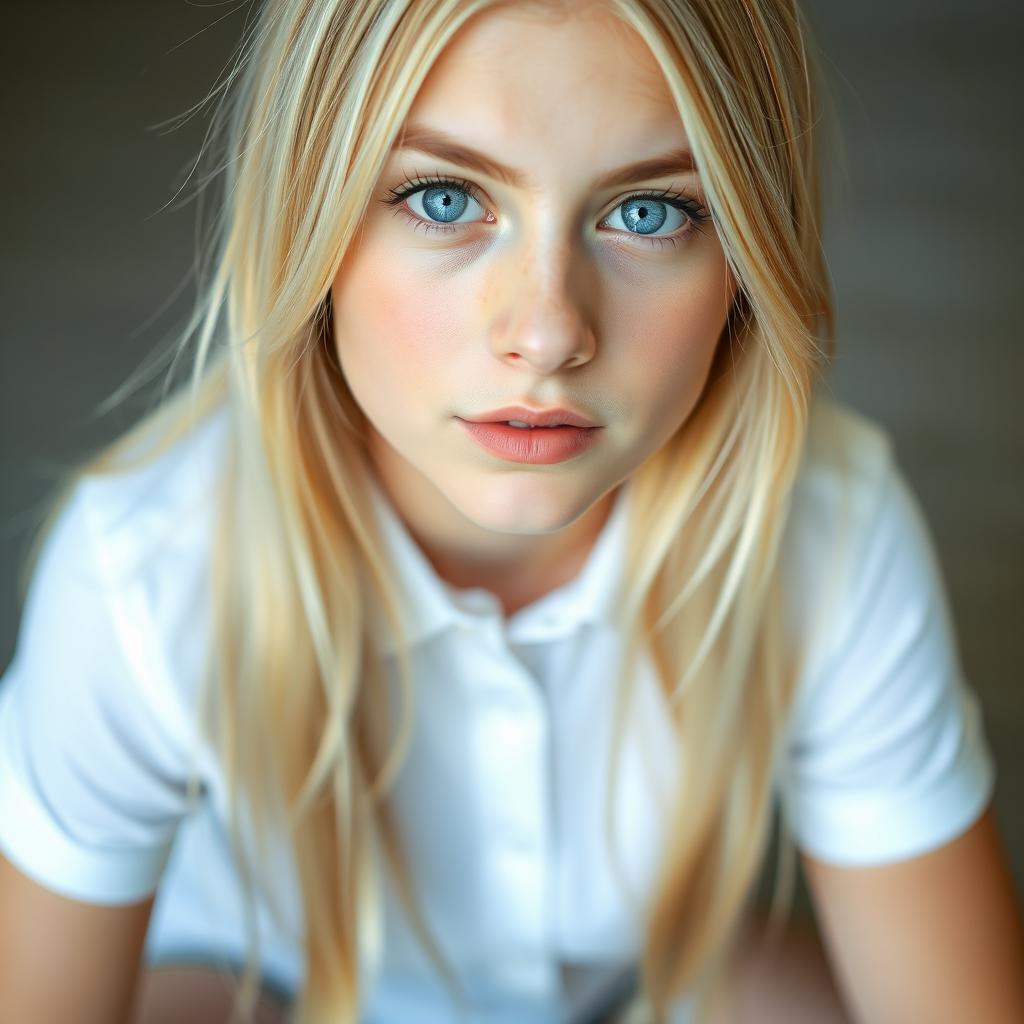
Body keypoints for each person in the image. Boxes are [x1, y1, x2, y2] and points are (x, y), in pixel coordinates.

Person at [1, 0, 1022, 1022]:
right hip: (257, 981)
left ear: (746, 261)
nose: (546, 333)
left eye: (649, 211)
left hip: (641, 981)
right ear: (305, 218)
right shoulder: (142, 574)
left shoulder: (825, 534)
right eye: (444, 198)